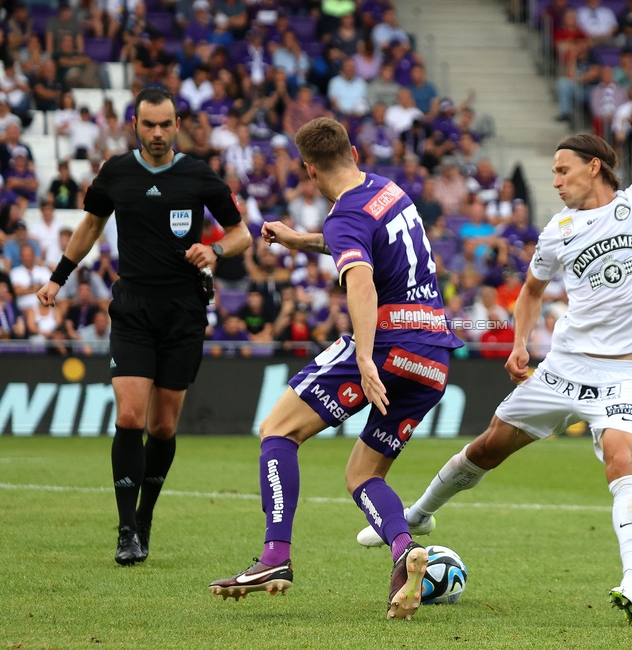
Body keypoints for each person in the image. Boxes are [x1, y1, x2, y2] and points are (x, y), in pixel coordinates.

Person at [354, 20, 632, 624]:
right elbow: (532, 290)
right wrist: (520, 344)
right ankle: (417, 516)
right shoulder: (557, 232)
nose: (556, 181)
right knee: (488, 448)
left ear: (596, 166)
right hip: (563, 366)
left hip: (622, 376)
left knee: (621, 457)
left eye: (564, 171)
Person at [208, 117, 463, 621]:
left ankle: (274, 558)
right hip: (433, 356)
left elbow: (361, 281)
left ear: (308, 170)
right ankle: (403, 550)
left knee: (277, 430)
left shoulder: (343, 215)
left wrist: (365, 357)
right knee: (363, 474)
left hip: (387, 343)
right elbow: (353, 242)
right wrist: (298, 239)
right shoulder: (388, 191)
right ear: (351, 148)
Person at [36, 87, 252, 566]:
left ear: (177, 124)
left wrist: (214, 250)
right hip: (132, 308)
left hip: (184, 312)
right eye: (149, 124)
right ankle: (126, 530)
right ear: (135, 123)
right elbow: (91, 225)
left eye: (165, 124)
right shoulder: (116, 172)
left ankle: (146, 516)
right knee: (130, 417)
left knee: (162, 425)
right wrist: (58, 278)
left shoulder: (198, 175)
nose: (157, 133)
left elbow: (241, 232)